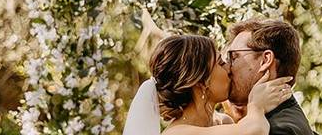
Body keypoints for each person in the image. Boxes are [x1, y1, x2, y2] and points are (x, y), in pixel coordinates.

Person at [123, 34, 293, 135]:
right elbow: (255, 131)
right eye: (220, 63)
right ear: (201, 81)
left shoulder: (223, 122)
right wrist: (257, 105)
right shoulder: (177, 133)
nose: (228, 67)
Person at [221, 18, 317, 135]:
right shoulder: (282, 119)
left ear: (265, 60)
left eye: (233, 57)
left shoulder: (279, 130)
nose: (227, 68)